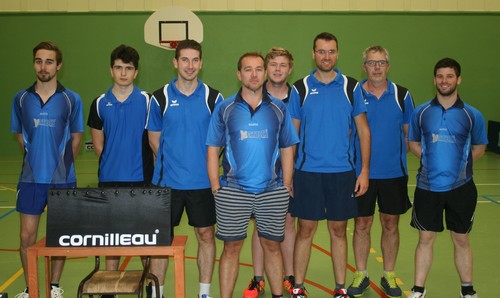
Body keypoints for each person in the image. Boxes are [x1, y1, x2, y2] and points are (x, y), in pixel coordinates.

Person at [206, 51, 299, 298]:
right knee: (231, 248)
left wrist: (286, 183)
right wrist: (216, 185)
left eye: (259, 69)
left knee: (272, 246)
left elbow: (288, 147)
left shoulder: (279, 108)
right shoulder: (225, 108)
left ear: (265, 73)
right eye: (248, 69)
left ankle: (278, 294)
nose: (254, 74)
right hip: (233, 191)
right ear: (239, 74)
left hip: (272, 190)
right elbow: (213, 148)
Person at [288, 32, 371, 298]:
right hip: (308, 172)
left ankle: (340, 288)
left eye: (331, 51)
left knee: (338, 230)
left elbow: (363, 132)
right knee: (305, 230)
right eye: (321, 51)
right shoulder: (299, 88)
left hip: (342, 172)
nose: (326, 56)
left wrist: (364, 171)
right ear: (313, 54)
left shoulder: (351, 87)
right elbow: (291, 137)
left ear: (337, 53)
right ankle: (298, 287)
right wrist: (289, 175)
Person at [146, 39, 223, 298]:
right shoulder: (159, 97)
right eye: (185, 60)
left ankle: (204, 293)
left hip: (203, 183)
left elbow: (219, 141)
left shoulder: (214, 98)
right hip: (167, 184)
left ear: (201, 63)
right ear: (175, 62)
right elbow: (154, 141)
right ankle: (157, 293)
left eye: (195, 60)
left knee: (205, 235)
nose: (190, 66)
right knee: (161, 241)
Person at [407, 58, 487, 298]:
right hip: (427, 186)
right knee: (425, 238)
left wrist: (459, 167)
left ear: (458, 79)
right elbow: (412, 142)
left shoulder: (472, 114)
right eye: (440, 76)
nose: (444, 81)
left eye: (449, 76)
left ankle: (467, 290)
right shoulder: (421, 112)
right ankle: (419, 289)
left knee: (461, 239)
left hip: (461, 188)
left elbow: (479, 147)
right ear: (434, 80)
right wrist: (430, 160)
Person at [10, 41, 84, 298]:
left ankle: (53, 287)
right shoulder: (21, 99)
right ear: (34, 64)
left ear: (58, 65)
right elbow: (20, 136)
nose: (44, 66)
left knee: (59, 236)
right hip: (30, 180)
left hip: (62, 181)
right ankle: (31, 289)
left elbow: (76, 138)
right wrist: (36, 160)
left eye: (49, 61)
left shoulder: (71, 99)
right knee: (26, 237)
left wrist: (60, 166)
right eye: (39, 61)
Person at [87, 44, 154, 298]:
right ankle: (109, 289)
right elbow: (99, 145)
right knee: (110, 238)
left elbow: (154, 140)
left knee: (143, 239)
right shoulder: (100, 103)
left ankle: (149, 285)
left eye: (128, 68)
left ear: (136, 72)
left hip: (141, 180)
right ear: (110, 70)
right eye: (118, 68)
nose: (123, 73)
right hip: (109, 182)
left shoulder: (148, 101)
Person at [347, 46, 414, 298]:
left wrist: (392, 155)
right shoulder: (353, 94)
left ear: (388, 66)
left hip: (393, 174)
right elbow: (349, 132)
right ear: (364, 67)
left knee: (390, 224)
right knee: (362, 224)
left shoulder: (402, 95)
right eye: (371, 63)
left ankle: (388, 274)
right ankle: (361, 274)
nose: (376, 67)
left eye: (381, 62)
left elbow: (410, 136)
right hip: (360, 174)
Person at [243, 47, 297, 298]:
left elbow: (294, 138)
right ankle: (258, 278)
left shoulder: (298, 96)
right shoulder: (255, 96)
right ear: (266, 70)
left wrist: (290, 176)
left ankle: (290, 276)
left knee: (287, 223)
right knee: (260, 227)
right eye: (272, 64)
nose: (277, 69)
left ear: (290, 68)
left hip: (292, 169)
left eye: (282, 65)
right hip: (260, 174)